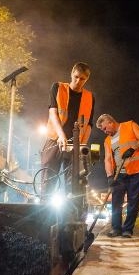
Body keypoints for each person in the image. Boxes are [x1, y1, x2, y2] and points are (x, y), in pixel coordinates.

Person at [40, 62, 95, 199]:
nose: (78, 81)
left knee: (74, 185)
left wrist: (81, 146)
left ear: (86, 79)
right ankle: (43, 214)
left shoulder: (89, 97)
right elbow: (53, 114)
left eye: (82, 79)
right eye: (76, 77)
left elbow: (89, 125)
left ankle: (71, 216)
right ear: (71, 74)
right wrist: (61, 135)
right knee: (48, 179)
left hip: (75, 146)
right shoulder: (58, 88)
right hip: (54, 140)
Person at [96, 114, 139, 238]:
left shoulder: (130, 125)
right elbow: (108, 159)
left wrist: (132, 148)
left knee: (133, 201)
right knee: (116, 201)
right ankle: (116, 229)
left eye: (104, 128)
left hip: (137, 171)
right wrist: (110, 176)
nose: (105, 132)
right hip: (120, 174)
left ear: (110, 122)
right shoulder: (107, 140)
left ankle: (127, 230)